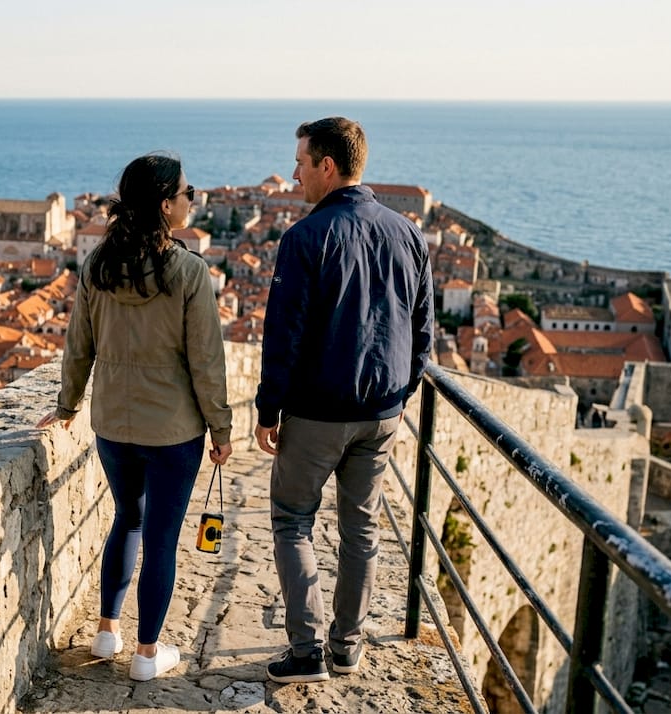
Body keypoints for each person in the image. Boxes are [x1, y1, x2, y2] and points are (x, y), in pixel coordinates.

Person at [38, 153, 233, 682]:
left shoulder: (98, 265)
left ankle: (107, 631)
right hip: (174, 432)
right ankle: (147, 656)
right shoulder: (189, 272)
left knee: (126, 518)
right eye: (188, 193)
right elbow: (207, 362)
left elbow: (78, 346)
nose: (194, 201)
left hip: (113, 426)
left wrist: (66, 406)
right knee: (162, 540)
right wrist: (221, 429)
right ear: (167, 204)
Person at [256, 118, 433, 683]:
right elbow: (423, 332)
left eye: (302, 162)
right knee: (361, 529)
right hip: (381, 413)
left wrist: (267, 410)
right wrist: (400, 395)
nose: (295, 172)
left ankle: (306, 652)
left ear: (327, 167)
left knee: (292, 520)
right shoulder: (408, 234)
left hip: (317, 411)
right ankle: (347, 646)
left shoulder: (305, 238)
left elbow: (283, 334)